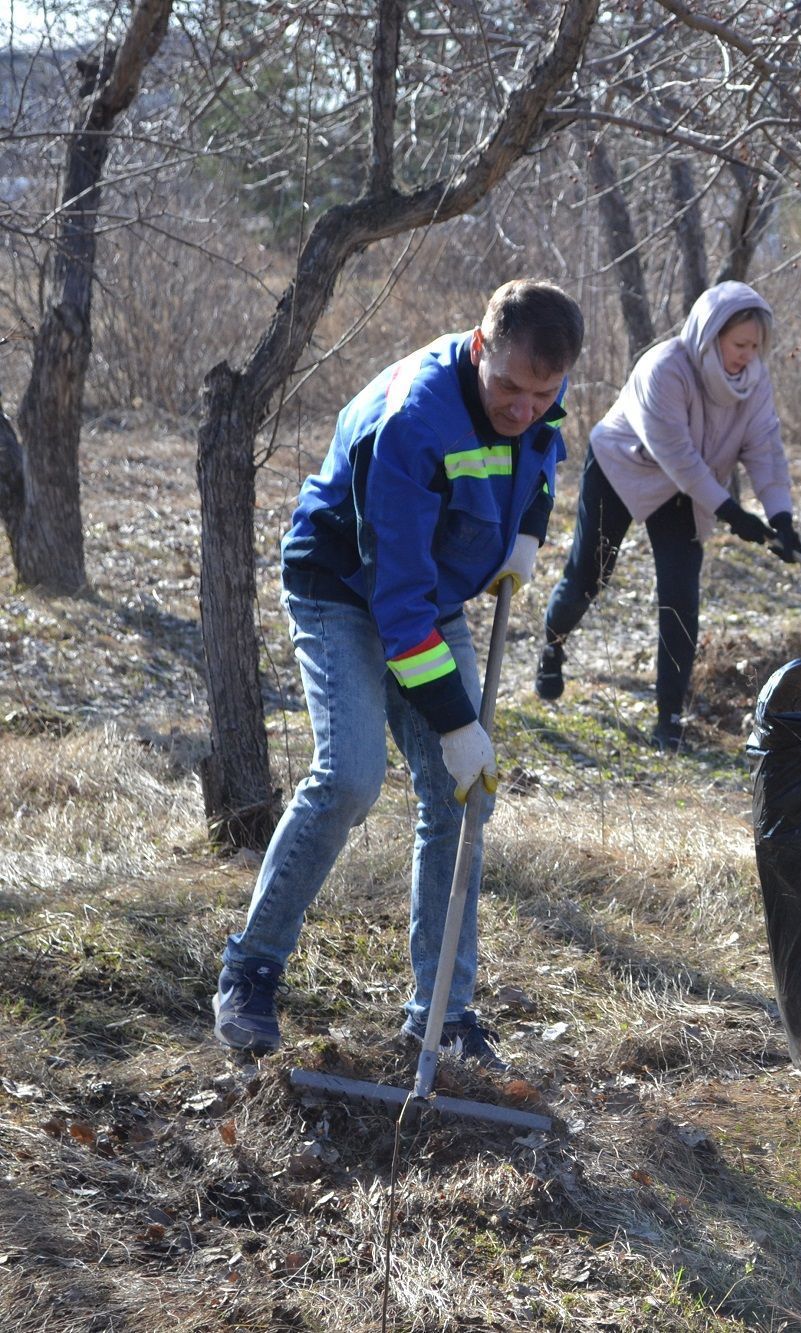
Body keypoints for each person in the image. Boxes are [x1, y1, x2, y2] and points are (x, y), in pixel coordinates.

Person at [211, 279, 584, 1065]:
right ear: (481, 348)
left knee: (460, 797)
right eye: (509, 388)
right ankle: (250, 969)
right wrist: (456, 724)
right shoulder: (413, 421)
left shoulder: (537, 395)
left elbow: (543, 453)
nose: (524, 407)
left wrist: (529, 529)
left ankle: (442, 1014)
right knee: (349, 777)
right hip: (344, 586)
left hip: (428, 586)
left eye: (542, 392)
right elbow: (400, 611)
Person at [535, 281, 801, 751]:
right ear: (711, 333)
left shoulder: (754, 381)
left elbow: (765, 448)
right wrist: (731, 513)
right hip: (625, 465)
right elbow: (676, 454)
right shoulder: (665, 367)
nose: (747, 355)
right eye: (739, 344)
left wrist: (781, 517)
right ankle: (552, 646)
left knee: (681, 596)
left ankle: (669, 717)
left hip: (687, 489)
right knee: (589, 576)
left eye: (755, 347)